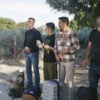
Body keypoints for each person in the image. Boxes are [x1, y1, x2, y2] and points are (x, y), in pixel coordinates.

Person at [54, 17, 80, 100]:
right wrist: (56, 55)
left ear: (65, 23)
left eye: (60, 23)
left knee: (69, 82)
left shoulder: (72, 32)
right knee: (61, 81)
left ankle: (70, 98)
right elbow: (55, 46)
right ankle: (61, 97)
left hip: (69, 61)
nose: (58, 24)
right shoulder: (57, 34)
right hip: (60, 61)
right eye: (58, 23)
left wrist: (67, 51)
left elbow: (77, 46)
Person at [83, 15, 100, 100]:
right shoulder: (93, 32)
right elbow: (89, 46)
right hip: (93, 64)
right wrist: (86, 58)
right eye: (98, 18)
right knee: (92, 89)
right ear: (97, 20)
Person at [23, 17, 42, 90]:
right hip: (27, 54)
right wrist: (24, 48)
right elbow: (25, 42)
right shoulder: (26, 32)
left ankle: (37, 86)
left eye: (30, 21)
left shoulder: (36, 32)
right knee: (28, 69)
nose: (28, 22)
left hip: (34, 53)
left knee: (36, 70)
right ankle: (29, 84)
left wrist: (31, 49)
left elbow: (39, 44)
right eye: (28, 21)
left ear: (33, 22)